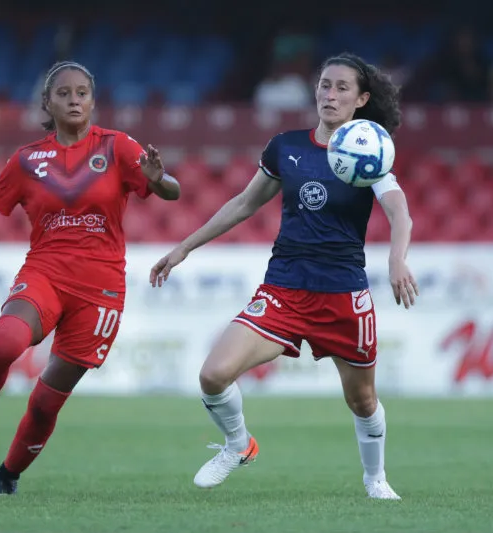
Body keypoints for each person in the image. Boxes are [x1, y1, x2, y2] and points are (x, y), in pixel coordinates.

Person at [0, 61, 181, 495]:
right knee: (4, 343)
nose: (74, 100)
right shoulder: (28, 159)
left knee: (48, 399)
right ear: (47, 103)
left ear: (93, 100)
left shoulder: (118, 146)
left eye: (82, 93)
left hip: (100, 289)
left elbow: (172, 190)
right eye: (64, 93)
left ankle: (7, 474)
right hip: (45, 272)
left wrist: (158, 179)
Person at [150, 52, 417, 500]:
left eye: (342, 88)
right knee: (213, 375)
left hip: (342, 296)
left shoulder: (369, 149)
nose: (329, 95)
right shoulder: (286, 147)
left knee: (363, 401)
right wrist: (183, 247)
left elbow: (399, 209)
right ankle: (239, 445)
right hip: (284, 290)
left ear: (361, 99)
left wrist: (396, 258)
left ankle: (375, 478)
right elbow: (242, 204)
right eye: (324, 85)